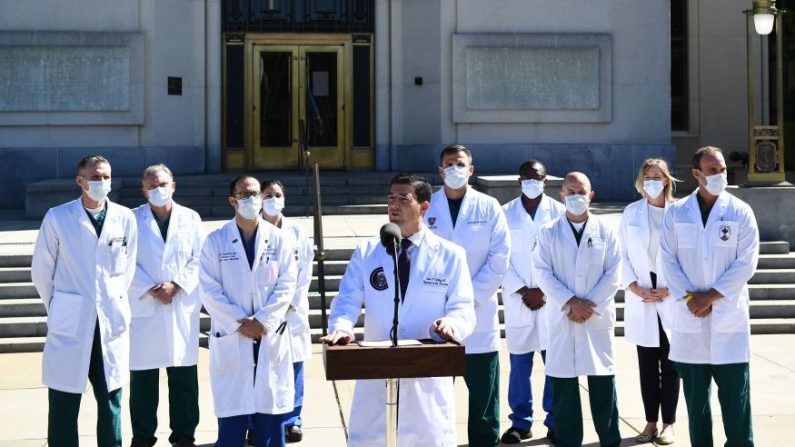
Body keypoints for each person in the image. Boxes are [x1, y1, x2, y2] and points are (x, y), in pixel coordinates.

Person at [320, 173, 476, 447]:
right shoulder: (367, 251)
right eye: (391, 197)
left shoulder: (450, 254)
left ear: (424, 207)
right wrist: (341, 329)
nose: (394, 204)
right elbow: (347, 300)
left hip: (426, 371)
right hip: (376, 368)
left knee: (426, 439)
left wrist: (451, 324)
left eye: (403, 199)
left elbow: (462, 307)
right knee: (373, 438)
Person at [31, 155, 138, 447]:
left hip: (109, 322)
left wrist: (112, 300)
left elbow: (127, 270)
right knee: (64, 399)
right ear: (80, 181)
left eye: (105, 177)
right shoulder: (58, 217)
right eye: (95, 177)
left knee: (111, 398)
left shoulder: (124, 217)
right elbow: (41, 270)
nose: (101, 182)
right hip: (71, 322)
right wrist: (58, 307)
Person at [659, 146, 759, 447]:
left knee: (736, 403)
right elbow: (668, 259)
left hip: (728, 321)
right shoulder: (677, 212)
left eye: (723, 170)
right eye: (713, 171)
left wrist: (711, 297)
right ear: (696, 174)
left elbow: (747, 261)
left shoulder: (740, 211)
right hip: (691, 321)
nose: (720, 176)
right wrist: (693, 300)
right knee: (696, 405)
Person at [200, 175, 298, 447]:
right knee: (232, 424)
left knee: (270, 424)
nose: (253, 200)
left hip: (269, 335)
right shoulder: (215, 241)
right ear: (233, 200)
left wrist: (263, 321)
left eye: (257, 194)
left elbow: (287, 284)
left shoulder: (279, 239)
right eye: (245, 194)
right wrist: (241, 322)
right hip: (234, 336)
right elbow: (209, 290)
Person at [424, 144, 510, 447]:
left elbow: (500, 257)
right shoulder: (427, 207)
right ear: (439, 170)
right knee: (434, 394)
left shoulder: (489, 206)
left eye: (460, 164)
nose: (454, 170)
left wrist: (466, 299)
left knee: (484, 393)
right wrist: (445, 302)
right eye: (448, 164)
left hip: (478, 313)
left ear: (471, 170)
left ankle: (485, 442)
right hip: (436, 314)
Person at [532, 172, 622, 447]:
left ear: (591, 195)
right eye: (570, 192)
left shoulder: (606, 231)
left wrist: (587, 306)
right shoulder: (548, 231)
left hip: (595, 318)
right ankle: (568, 441)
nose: (575, 197)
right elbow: (542, 272)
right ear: (561, 195)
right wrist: (571, 303)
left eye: (581, 191)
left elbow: (614, 273)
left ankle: (609, 440)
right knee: (564, 387)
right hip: (563, 317)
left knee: (603, 386)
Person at [128, 164, 204, 447]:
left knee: (184, 375)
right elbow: (123, 260)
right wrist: (149, 286)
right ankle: (143, 436)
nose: (157, 190)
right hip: (145, 304)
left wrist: (177, 285)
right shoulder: (131, 219)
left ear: (174, 186)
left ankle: (184, 434)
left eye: (162, 184)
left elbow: (200, 258)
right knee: (143, 378)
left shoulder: (191, 218)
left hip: (180, 303)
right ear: (143, 190)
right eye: (151, 186)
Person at [499, 160, 564, 444]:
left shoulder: (560, 213)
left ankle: (555, 420)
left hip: (551, 301)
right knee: (520, 364)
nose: (531, 181)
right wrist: (524, 290)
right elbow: (499, 257)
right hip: (519, 300)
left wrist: (544, 291)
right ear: (519, 179)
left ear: (545, 180)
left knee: (555, 363)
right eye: (526, 176)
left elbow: (564, 259)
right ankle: (520, 422)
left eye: (536, 177)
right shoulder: (505, 214)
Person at [618, 159, 680, 445]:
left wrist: (670, 289)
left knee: (670, 365)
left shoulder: (680, 212)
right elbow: (623, 255)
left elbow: (686, 256)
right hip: (642, 295)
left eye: (657, 176)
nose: (653, 180)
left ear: (666, 180)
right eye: (647, 176)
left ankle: (669, 424)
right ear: (641, 181)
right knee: (646, 366)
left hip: (669, 294)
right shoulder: (631, 213)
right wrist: (633, 286)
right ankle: (650, 422)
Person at [260, 179, 314, 443]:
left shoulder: (297, 232)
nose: (273, 199)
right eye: (267, 195)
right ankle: (255, 421)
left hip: (291, 311)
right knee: (258, 368)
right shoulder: (250, 229)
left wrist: (288, 303)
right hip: (260, 311)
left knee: (294, 365)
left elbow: (305, 271)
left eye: (277, 194)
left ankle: (292, 420)